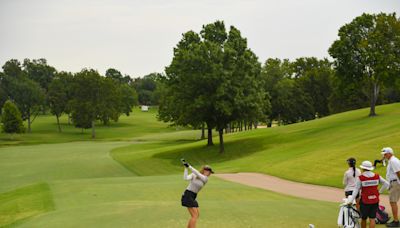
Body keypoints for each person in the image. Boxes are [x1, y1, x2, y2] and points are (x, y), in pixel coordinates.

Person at [347, 160, 389, 228]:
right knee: (372, 218)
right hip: (375, 200)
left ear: (363, 168)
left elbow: (356, 189)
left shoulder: (361, 178)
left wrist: (351, 200)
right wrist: (379, 192)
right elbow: (386, 184)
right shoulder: (377, 176)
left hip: (365, 201)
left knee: (363, 219)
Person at [180, 159, 214, 228]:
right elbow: (185, 178)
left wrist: (189, 166)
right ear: (205, 170)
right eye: (209, 172)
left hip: (193, 196)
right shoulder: (194, 174)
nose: (210, 174)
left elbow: (197, 173)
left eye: (210, 172)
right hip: (187, 195)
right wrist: (186, 168)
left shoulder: (205, 178)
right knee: (194, 216)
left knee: (196, 215)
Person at [381, 147, 400, 227]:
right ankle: (396, 220)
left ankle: (396, 221)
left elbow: (399, 172)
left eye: (385, 154)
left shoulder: (393, 161)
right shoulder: (392, 160)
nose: (384, 156)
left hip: (395, 183)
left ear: (390, 153)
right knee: (393, 202)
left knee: (393, 202)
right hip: (394, 183)